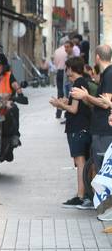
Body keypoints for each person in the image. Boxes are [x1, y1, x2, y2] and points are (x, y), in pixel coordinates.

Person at [50, 57, 93, 209]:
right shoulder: (81, 82)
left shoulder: (79, 83)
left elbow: (74, 109)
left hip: (78, 128)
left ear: (70, 69)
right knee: (81, 162)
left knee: (80, 162)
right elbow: (75, 105)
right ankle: (83, 194)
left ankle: (81, 196)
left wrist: (58, 104)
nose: (66, 71)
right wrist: (63, 103)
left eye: (67, 68)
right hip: (81, 127)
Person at [71, 45, 112, 171]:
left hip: (104, 130)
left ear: (97, 57)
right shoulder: (106, 74)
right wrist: (87, 99)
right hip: (101, 129)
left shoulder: (109, 74)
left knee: (103, 167)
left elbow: (105, 102)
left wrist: (86, 96)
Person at [53, 41, 73, 119]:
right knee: (65, 93)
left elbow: (55, 63)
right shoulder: (66, 54)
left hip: (61, 73)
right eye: (65, 47)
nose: (65, 49)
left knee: (61, 93)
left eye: (67, 47)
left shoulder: (57, 51)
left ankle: (59, 113)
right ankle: (65, 113)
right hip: (64, 74)